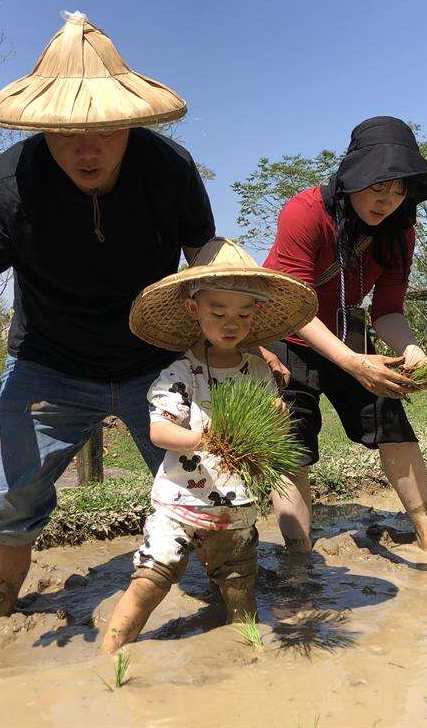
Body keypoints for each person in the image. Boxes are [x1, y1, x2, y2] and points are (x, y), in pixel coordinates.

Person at [0, 12, 285, 617]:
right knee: (9, 505)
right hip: (47, 363)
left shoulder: (169, 171)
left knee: (216, 485)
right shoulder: (8, 181)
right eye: (67, 134)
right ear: (44, 125)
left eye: (105, 133)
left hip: (158, 364)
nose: (86, 149)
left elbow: (206, 264)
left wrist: (247, 340)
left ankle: (236, 624)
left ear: (131, 122)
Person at [102, 238, 317, 653]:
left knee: (240, 593)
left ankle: (243, 668)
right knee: (150, 582)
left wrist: (275, 415)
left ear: (256, 314)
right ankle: (109, 655)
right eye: (218, 312)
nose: (230, 323)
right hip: (179, 503)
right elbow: (160, 433)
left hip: (236, 510)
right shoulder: (181, 373)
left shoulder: (258, 371)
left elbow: (272, 442)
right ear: (193, 310)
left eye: (242, 313)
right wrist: (209, 439)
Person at [264, 116, 427, 556]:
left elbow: (387, 311)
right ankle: (299, 555)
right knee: (294, 444)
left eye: (400, 190)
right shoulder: (305, 212)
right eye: (379, 187)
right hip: (288, 336)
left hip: (348, 332)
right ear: (354, 177)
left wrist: (410, 348)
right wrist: (352, 362)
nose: (387, 200)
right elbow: (294, 309)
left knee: (392, 423)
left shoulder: (400, 233)